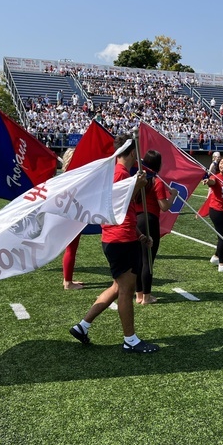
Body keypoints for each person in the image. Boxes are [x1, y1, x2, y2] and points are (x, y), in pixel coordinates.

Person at [70, 135, 159, 353]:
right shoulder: (120, 174)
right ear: (132, 152)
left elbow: (123, 213)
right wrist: (137, 186)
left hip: (120, 235)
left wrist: (139, 234)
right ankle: (130, 340)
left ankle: (82, 326)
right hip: (120, 239)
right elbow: (118, 206)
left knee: (117, 287)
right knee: (126, 290)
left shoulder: (117, 173)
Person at [134, 150, 178, 304]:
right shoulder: (157, 181)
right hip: (150, 220)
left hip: (136, 220)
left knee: (138, 260)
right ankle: (146, 297)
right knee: (148, 260)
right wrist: (173, 196)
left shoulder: (138, 179)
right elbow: (164, 206)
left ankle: (139, 295)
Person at [61, 148, 85, 290]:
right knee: (71, 248)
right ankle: (68, 282)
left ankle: (67, 279)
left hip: (69, 213)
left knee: (71, 248)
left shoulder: (65, 176)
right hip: (72, 214)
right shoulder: (73, 177)